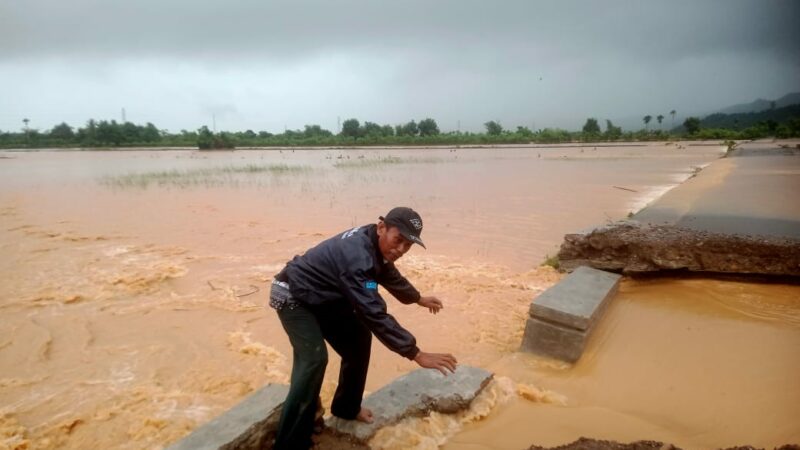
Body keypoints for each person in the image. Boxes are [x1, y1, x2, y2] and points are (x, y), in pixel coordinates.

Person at [269, 207, 457, 449]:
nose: (400, 250)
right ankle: (289, 443)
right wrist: (415, 353)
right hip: (294, 295)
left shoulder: (374, 247)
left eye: (407, 245)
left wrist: (417, 298)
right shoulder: (356, 257)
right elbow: (373, 312)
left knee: (358, 339)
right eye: (398, 240)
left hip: (324, 295)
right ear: (381, 227)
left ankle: (346, 408)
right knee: (313, 360)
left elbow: (384, 274)